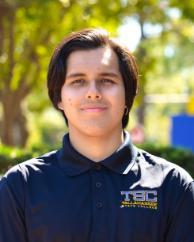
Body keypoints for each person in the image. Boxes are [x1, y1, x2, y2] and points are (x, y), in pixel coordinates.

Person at [0, 28, 194, 242]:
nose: (93, 92)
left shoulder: (174, 186)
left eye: (107, 80)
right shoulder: (20, 186)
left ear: (127, 95)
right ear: (59, 98)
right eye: (78, 81)